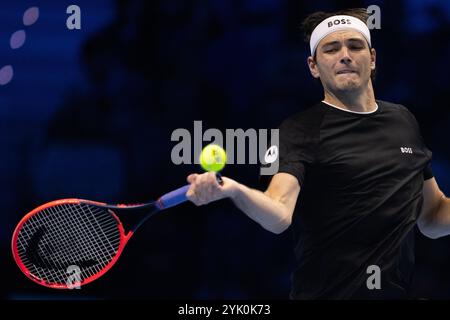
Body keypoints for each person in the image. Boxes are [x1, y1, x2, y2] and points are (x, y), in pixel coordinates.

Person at [185, 8, 449, 299]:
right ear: (313, 66)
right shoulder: (298, 130)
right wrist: (233, 189)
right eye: (331, 49)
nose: (344, 55)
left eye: (355, 46)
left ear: (372, 58)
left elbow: (433, 216)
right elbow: (279, 212)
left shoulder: (404, 120)